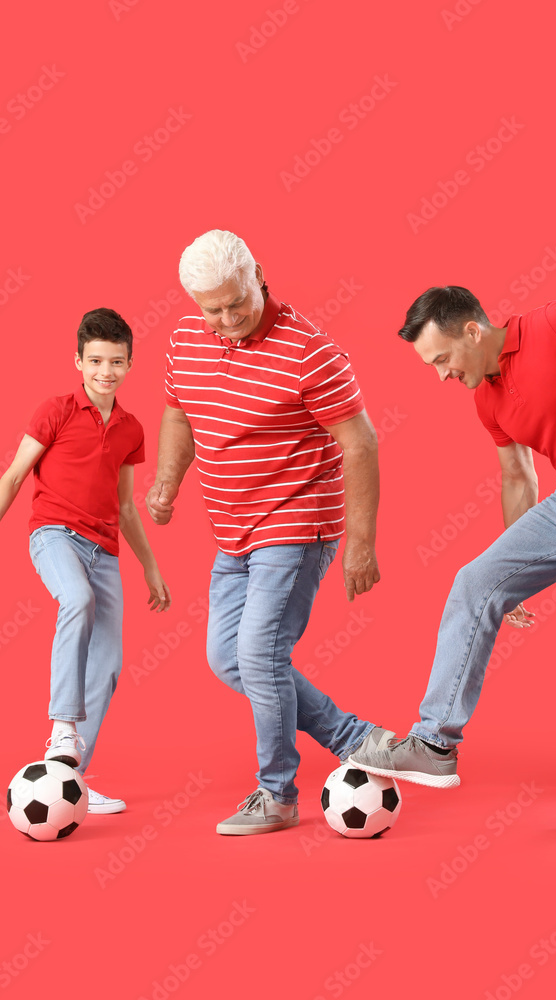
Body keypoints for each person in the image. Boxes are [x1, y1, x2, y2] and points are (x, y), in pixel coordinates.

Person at [349, 288, 556, 839]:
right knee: (475, 583)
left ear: (473, 333)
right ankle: (434, 743)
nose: (440, 376)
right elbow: (518, 477)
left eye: (443, 360)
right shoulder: (486, 397)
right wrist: (517, 576)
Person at [147, 229, 391, 836]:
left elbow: (359, 444)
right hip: (232, 531)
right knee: (228, 660)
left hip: (297, 520)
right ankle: (360, 739)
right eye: (213, 309)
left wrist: (361, 543)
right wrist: (166, 483)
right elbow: (179, 411)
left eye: (238, 303)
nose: (228, 319)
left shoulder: (310, 350)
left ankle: (276, 795)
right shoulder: (183, 339)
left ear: (259, 275)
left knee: (258, 653)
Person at [0, 308, 170, 814]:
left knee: (109, 663)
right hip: (54, 534)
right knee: (75, 599)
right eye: (95, 360)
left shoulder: (131, 429)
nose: (105, 371)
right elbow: (14, 477)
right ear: (77, 360)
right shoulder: (54, 410)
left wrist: (150, 566)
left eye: (116, 362)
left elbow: (125, 508)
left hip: (105, 551)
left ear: (129, 364)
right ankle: (61, 727)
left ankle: (69, 781)